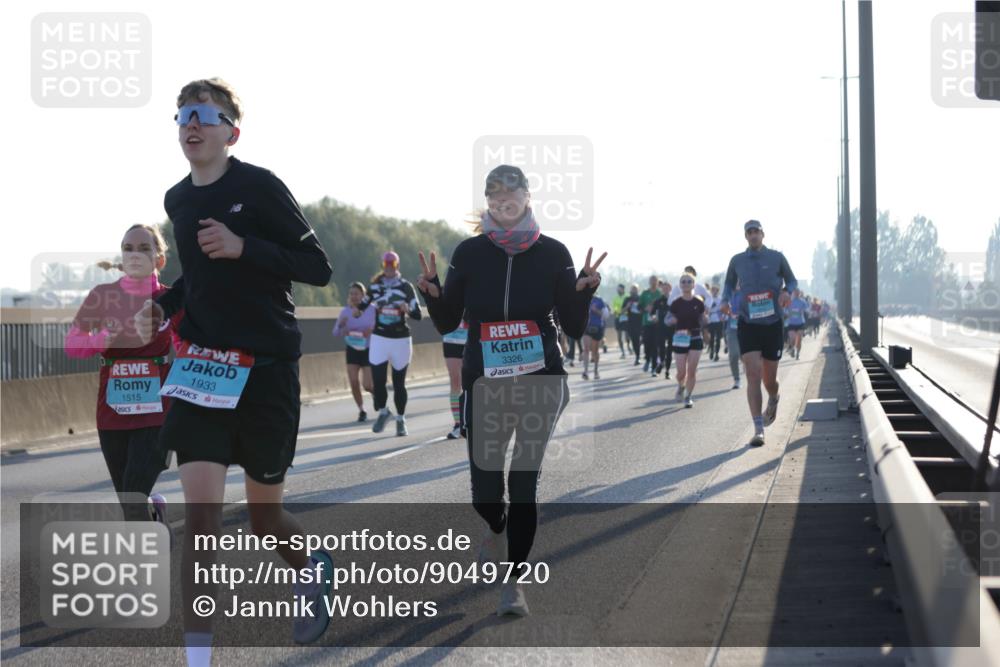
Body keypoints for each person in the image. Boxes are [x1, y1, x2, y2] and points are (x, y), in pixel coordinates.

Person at [136, 78, 335, 664]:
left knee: (263, 517)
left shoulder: (260, 187)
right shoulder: (177, 199)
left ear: (232, 131)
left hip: (266, 369)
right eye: (182, 116)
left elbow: (317, 267)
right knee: (201, 523)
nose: (191, 124)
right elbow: (196, 280)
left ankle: (312, 565)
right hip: (201, 371)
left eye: (205, 114)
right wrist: (166, 305)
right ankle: (199, 658)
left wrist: (246, 246)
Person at [416, 164, 604, 617]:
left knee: (523, 483)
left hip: (542, 380)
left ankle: (514, 582)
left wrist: (582, 292)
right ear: (488, 202)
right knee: (486, 492)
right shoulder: (470, 252)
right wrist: (433, 293)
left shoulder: (553, 252)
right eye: (494, 193)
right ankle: (495, 528)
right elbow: (447, 322)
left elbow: (574, 328)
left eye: (511, 190)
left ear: (527, 195)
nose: (503, 199)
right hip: (484, 384)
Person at [65, 224, 181, 524]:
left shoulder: (172, 300)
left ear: (159, 259)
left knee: (132, 498)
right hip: (112, 412)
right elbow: (72, 344)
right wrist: (99, 339)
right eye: (128, 248)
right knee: (130, 500)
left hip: (158, 412)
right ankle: (154, 512)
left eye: (144, 248)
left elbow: (188, 347)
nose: (134, 254)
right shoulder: (103, 296)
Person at [720, 219, 797, 447]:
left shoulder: (776, 257)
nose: (753, 235)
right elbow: (728, 285)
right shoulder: (737, 261)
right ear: (746, 236)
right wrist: (724, 301)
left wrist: (785, 292)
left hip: (772, 323)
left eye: (756, 232)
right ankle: (758, 428)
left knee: (769, 379)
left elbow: (791, 280)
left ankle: (773, 397)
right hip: (748, 322)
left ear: (763, 234)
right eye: (749, 232)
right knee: (752, 374)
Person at [360, 251, 424, 436]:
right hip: (380, 338)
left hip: (400, 339)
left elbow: (418, 314)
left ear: (397, 266)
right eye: (386, 265)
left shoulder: (406, 287)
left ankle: (401, 419)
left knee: (398, 383)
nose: (389, 268)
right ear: (382, 266)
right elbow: (362, 306)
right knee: (378, 382)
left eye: (392, 265)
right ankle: (383, 412)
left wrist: (407, 310)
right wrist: (356, 312)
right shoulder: (375, 287)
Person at [332, 281, 375, 421]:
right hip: (352, 348)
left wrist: (371, 331)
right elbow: (335, 333)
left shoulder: (371, 309)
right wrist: (341, 326)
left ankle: (377, 395)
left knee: (368, 385)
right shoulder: (345, 312)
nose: (354, 296)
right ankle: (361, 410)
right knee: (353, 381)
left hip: (368, 349)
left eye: (356, 294)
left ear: (363, 295)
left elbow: (380, 327)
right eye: (351, 294)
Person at [666, 273, 707, 407]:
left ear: (694, 285)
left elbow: (703, 319)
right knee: (681, 372)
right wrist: (671, 321)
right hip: (680, 338)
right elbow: (666, 320)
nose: (686, 283)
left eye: (689, 281)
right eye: (683, 281)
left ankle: (688, 396)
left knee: (692, 371)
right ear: (680, 285)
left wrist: (706, 319)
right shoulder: (676, 303)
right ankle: (681, 385)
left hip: (695, 337)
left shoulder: (698, 302)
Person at [442, 316, 470, 439]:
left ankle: (475, 420)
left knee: (474, 382)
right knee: (455, 382)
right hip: (451, 339)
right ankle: (458, 424)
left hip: (473, 339)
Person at [639, 275, 662, 374]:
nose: (653, 282)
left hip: (657, 323)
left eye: (655, 281)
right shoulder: (644, 293)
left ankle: (653, 367)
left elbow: (664, 306)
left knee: (655, 345)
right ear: (649, 282)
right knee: (647, 343)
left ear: (657, 282)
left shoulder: (660, 294)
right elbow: (639, 306)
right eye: (651, 280)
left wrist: (657, 310)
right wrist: (645, 308)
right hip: (646, 322)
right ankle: (647, 359)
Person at [582, 294, 607, 380]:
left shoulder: (599, 300)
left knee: (595, 351)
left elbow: (605, 315)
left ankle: (596, 370)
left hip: (597, 327)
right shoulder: (583, 298)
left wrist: (595, 310)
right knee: (586, 348)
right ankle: (585, 371)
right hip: (586, 327)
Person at [785, 289, 809, 359]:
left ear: (799, 293)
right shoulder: (789, 301)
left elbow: (807, 309)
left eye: (798, 293)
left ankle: (798, 353)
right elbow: (785, 311)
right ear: (793, 293)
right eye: (795, 293)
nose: (797, 294)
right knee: (792, 339)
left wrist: (804, 311)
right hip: (791, 323)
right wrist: (790, 313)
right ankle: (792, 349)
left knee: (799, 339)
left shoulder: (802, 302)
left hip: (800, 323)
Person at [624, 284, 643, 366]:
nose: (633, 291)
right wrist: (627, 306)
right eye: (632, 289)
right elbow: (622, 311)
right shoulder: (627, 299)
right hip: (631, 323)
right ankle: (637, 357)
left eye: (635, 289)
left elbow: (644, 309)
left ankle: (644, 352)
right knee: (634, 340)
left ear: (638, 290)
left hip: (641, 322)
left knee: (643, 339)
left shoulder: (640, 298)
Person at [706, 284, 725, 361]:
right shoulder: (708, 299)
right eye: (712, 290)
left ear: (717, 291)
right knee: (712, 337)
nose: (714, 291)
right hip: (711, 320)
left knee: (718, 338)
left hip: (718, 319)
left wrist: (723, 317)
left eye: (715, 290)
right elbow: (705, 309)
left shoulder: (720, 299)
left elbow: (723, 308)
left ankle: (716, 353)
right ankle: (711, 351)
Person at [611, 283, 629, 358]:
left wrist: (623, 310)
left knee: (627, 336)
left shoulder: (627, 296)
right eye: (617, 289)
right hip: (618, 317)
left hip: (627, 317)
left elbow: (629, 307)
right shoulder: (615, 298)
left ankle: (628, 346)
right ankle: (622, 351)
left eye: (619, 289)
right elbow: (614, 308)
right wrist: (619, 311)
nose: (618, 290)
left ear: (623, 289)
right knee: (619, 336)